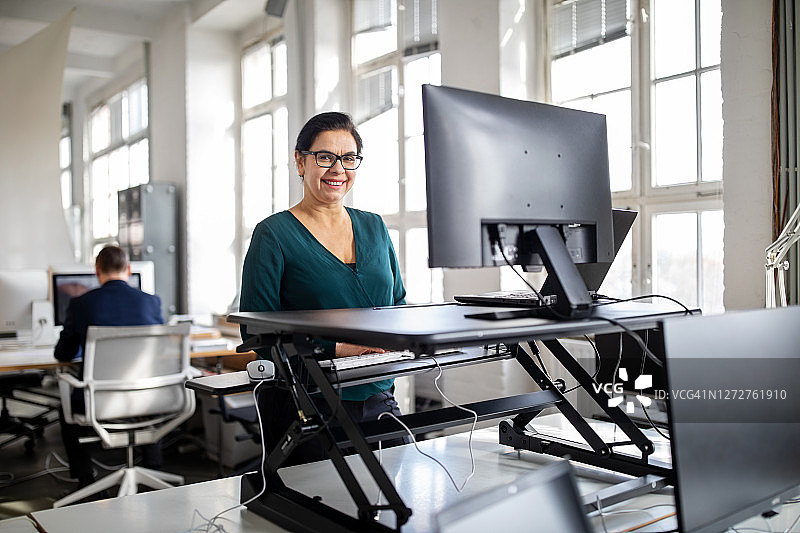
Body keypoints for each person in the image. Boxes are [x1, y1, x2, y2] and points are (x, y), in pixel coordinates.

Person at [240, 111, 407, 464]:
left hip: (378, 393)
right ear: (300, 162)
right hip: (306, 402)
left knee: (390, 498)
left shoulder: (374, 227)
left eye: (348, 158)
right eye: (325, 157)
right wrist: (341, 347)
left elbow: (398, 304)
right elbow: (256, 331)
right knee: (315, 507)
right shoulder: (273, 234)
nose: (338, 169)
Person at [54, 245, 164, 489]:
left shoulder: (81, 304)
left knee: (64, 404)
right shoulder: (152, 302)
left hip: (99, 400)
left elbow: (63, 354)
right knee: (141, 399)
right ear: (129, 269)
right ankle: (153, 466)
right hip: (146, 396)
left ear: (97, 271)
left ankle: (84, 478)